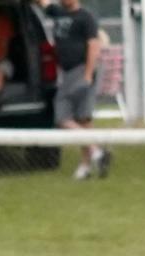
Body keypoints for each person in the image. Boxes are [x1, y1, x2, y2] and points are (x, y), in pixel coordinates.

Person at [37, 0, 110, 180]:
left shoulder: (86, 17)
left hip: (81, 69)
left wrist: (87, 75)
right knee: (82, 121)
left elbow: (94, 46)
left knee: (64, 118)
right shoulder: (57, 12)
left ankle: (95, 153)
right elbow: (43, 3)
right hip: (67, 71)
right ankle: (90, 162)